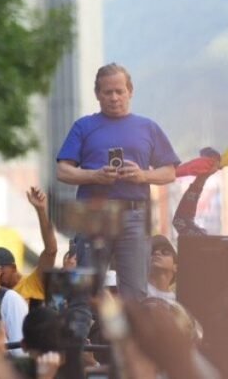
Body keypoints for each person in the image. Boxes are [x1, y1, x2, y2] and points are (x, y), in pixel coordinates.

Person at [56, 63, 180, 337]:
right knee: (84, 290)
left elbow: (170, 172)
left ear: (130, 91)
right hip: (92, 212)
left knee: (135, 294)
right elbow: (63, 171)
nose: (114, 97)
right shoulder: (84, 126)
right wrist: (95, 175)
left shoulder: (148, 127)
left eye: (119, 91)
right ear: (97, 94)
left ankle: (132, 353)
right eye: (107, 92)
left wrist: (142, 175)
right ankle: (79, 351)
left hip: (135, 213)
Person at [0, 186, 58, 304]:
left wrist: (41, 210)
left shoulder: (33, 282)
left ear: (13, 267)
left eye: (1, 273)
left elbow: (51, 250)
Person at [147, 234, 178, 302]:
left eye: (165, 252)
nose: (156, 252)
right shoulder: (136, 291)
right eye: (151, 252)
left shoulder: (177, 303)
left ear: (176, 267)